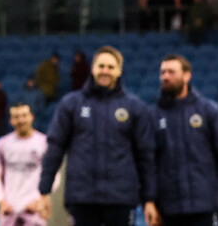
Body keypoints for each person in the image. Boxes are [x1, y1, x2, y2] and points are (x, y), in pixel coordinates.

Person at [38, 46, 156, 226]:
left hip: (121, 199)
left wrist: (150, 199)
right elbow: (55, 147)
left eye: (110, 67)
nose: (105, 71)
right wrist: (44, 190)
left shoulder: (134, 107)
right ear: (93, 68)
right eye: (101, 66)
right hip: (82, 198)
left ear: (119, 71)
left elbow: (145, 155)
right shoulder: (71, 104)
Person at [149, 54, 218, 226]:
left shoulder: (209, 111)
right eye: (163, 72)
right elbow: (148, 162)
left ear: (187, 75)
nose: (165, 76)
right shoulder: (152, 115)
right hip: (167, 208)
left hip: (204, 205)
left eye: (171, 72)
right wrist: (149, 201)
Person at [0, 103, 53, 226]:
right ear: (11, 120)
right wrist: (1, 200)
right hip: (10, 208)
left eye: (24, 115)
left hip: (34, 208)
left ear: (32, 117)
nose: (21, 120)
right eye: (16, 116)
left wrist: (41, 197)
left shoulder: (44, 143)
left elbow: (53, 174)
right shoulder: (2, 144)